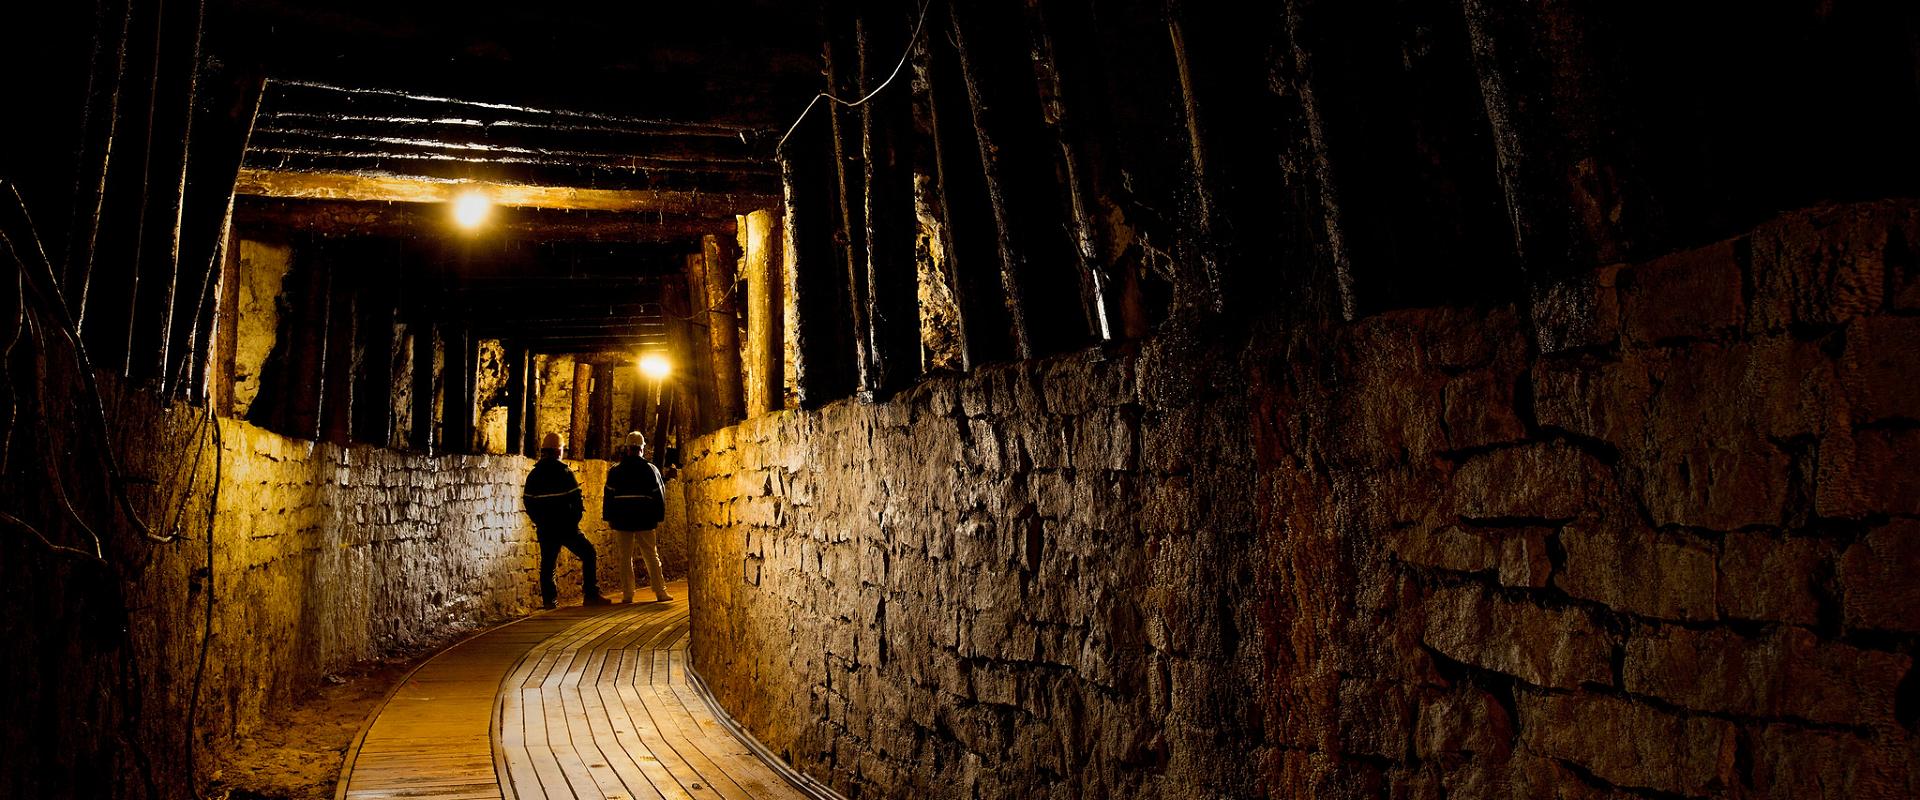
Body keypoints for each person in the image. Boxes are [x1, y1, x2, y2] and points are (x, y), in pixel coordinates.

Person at [522, 432, 611, 610]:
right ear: (557, 451)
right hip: (566, 527)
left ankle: (550, 601)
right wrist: (573, 521)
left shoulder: (534, 475)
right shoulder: (564, 472)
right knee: (589, 554)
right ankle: (591, 595)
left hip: (546, 528)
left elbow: (528, 502)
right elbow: (576, 500)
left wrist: (539, 521)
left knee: (548, 564)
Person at [603, 431, 673, 603]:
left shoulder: (615, 471)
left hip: (622, 519)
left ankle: (628, 594)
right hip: (644, 518)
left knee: (625, 557)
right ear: (642, 449)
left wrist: (609, 517)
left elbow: (608, 496)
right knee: (650, 554)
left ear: (627, 449)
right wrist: (658, 516)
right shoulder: (650, 470)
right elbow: (659, 495)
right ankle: (660, 592)